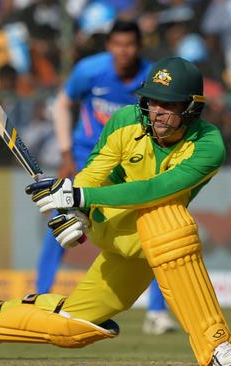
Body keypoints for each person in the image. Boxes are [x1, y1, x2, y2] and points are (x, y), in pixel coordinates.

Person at [0, 57, 231, 366]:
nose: (157, 111)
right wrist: (75, 210)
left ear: (191, 108)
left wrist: (79, 195)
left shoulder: (209, 145)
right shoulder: (126, 120)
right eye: (153, 101)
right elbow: (94, 172)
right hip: (114, 222)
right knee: (170, 221)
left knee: (70, 328)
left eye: (169, 105)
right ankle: (216, 345)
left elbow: (155, 190)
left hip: (148, 241)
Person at [36, 19, 175, 335]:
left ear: (139, 46)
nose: (123, 51)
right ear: (109, 45)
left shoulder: (153, 76)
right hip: (88, 160)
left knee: (151, 233)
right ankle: (40, 294)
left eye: (129, 45)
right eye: (117, 45)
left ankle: (157, 312)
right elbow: (62, 104)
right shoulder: (89, 70)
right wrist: (66, 152)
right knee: (62, 226)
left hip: (132, 165)